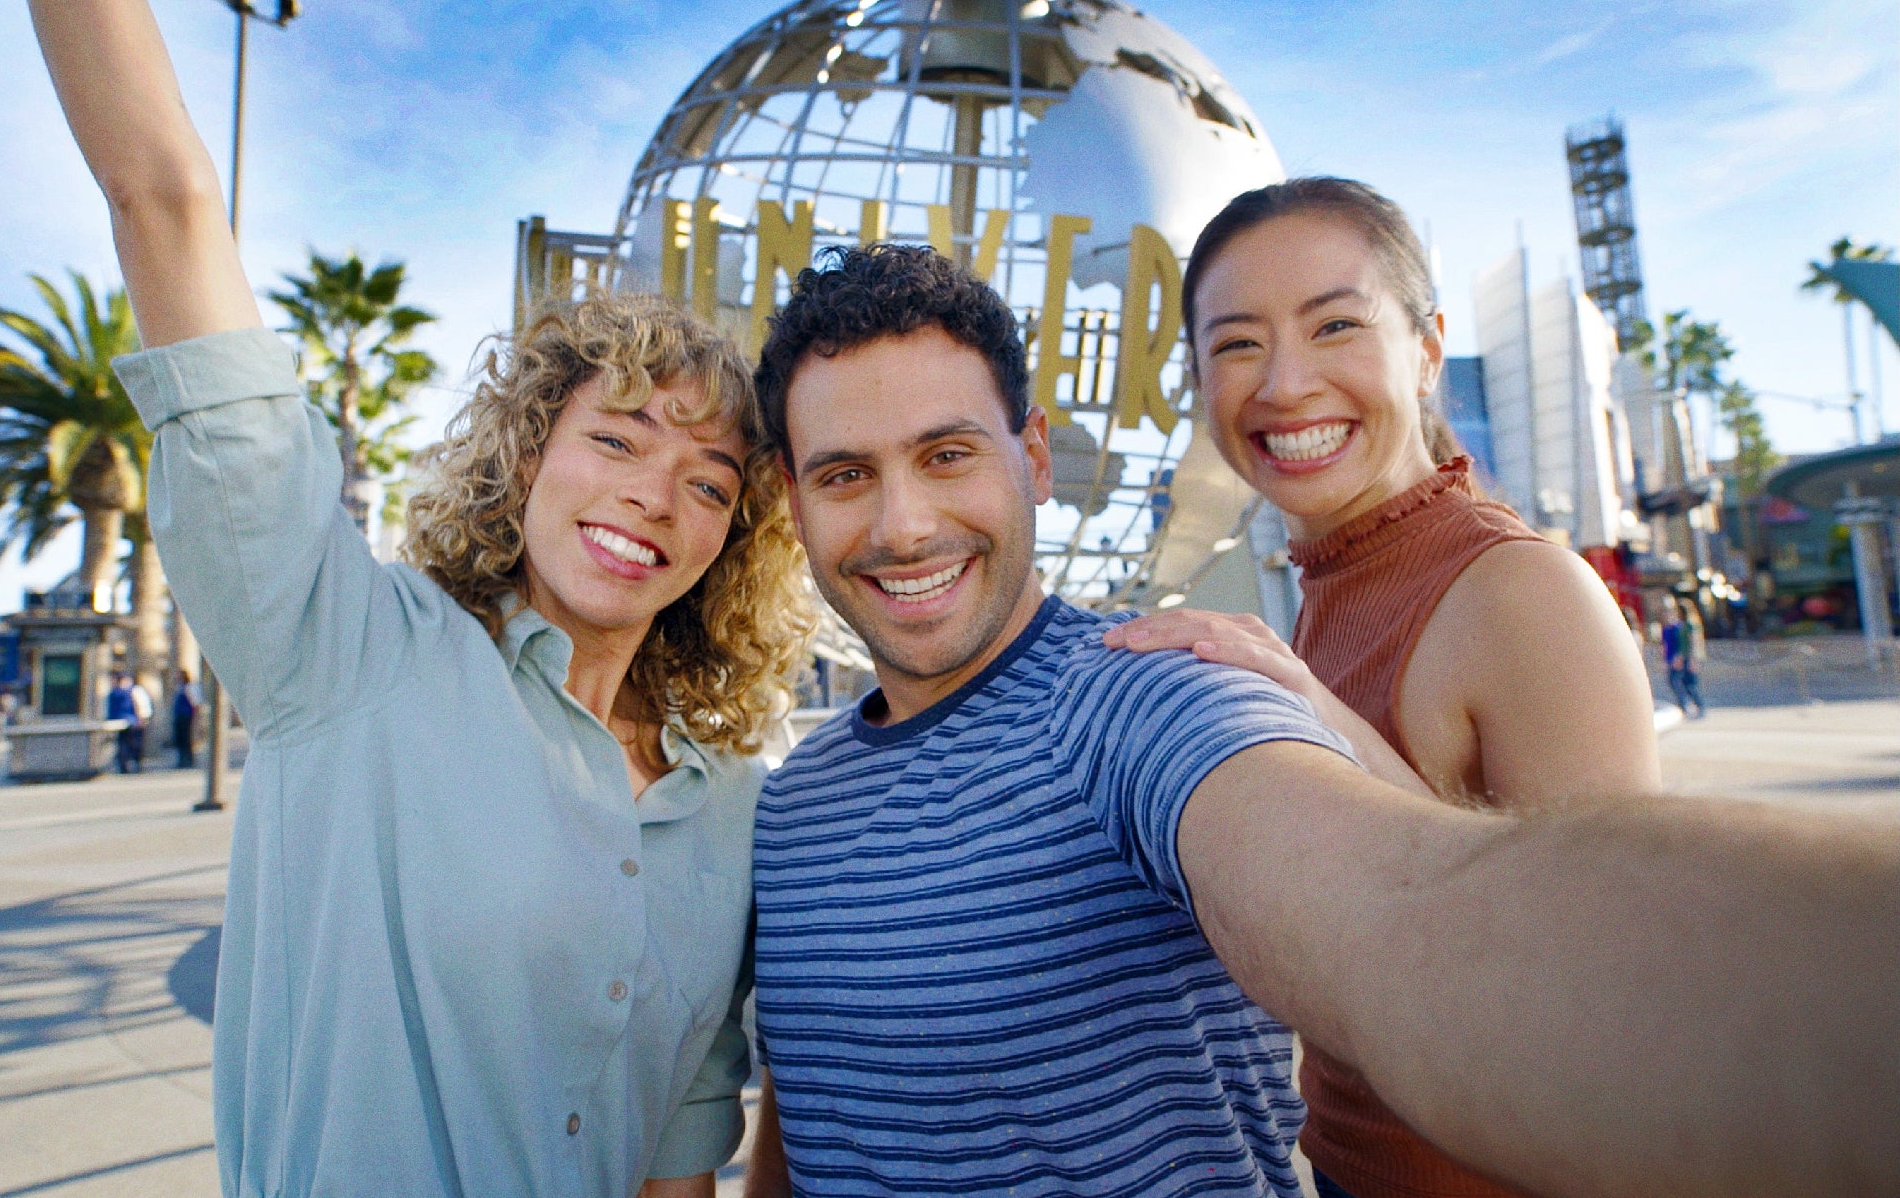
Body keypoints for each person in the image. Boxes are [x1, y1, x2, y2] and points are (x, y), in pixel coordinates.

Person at [742, 244, 1896, 1198]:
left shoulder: (1143, 692)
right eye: (844, 476)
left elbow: (1406, 910)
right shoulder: (791, 800)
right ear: (791, 499)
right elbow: (801, 1129)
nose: (902, 526)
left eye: (946, 456)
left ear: (1032, 457)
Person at [6, 0, 812, 1194]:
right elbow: (162, 196)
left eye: (711, 481)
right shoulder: (347, 654)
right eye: (615, 438)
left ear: (735, 538)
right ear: (527, 454)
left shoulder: (725, 799)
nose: (655, 497)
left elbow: (684, 1125)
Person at [1105, 176, 1660, 1198]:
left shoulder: (1521, 594)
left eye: (1333, 326)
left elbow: (1596, 990)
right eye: (1235, 344)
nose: (1282, 384)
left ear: (1427, 348)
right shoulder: (1332, 583)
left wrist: (1307, 711)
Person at [1661, 595, 1707, 718]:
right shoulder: (1682, 625)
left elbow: (1693, 643)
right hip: (1684, 656)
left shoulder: (1690, 625)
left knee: (1689, 683)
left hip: (1689, 657)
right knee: (1684, 682)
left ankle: (1698, 705)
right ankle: (1687, 704)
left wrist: (1693, 659)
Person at [105, 671, 148, 773]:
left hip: (117, 721)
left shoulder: (113, 693)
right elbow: (139, 706)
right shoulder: (133, 691)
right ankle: (135, 763)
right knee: (134, 743)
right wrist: (141, 719)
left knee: (122, 743)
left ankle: (123, 765)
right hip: (131, 721)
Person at [170, 668, 200, 769]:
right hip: (179, 715)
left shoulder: (188, 688)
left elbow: (195, 703)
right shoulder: (179, 688)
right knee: (180, 739)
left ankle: (188, 759)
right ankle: (182, 759)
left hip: (186, 716)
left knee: (186, 738)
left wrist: (195, 717)